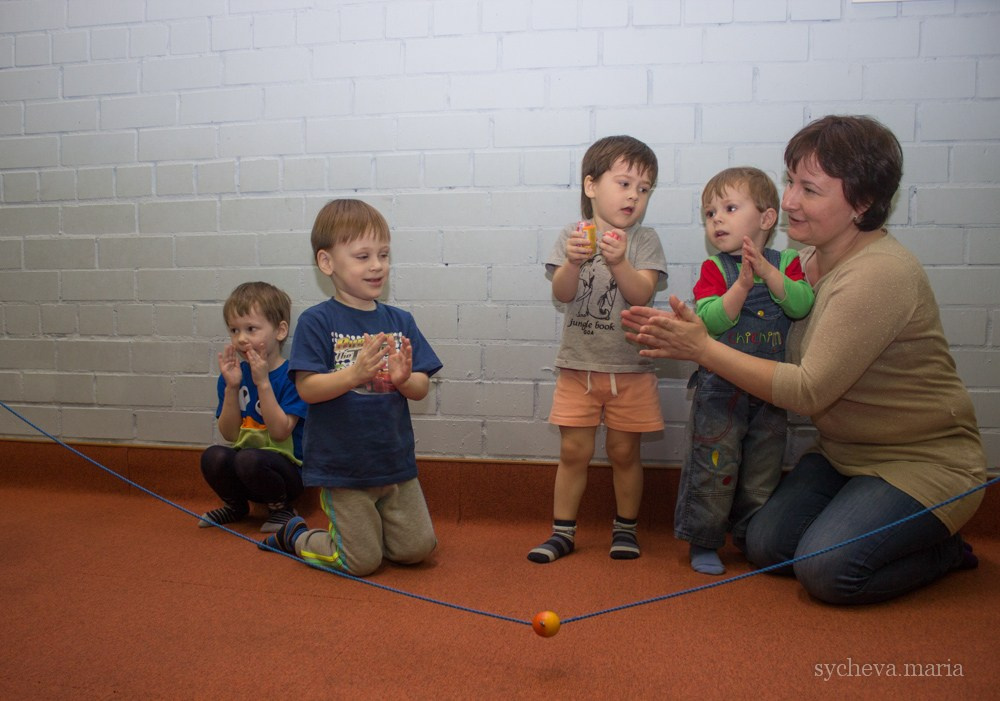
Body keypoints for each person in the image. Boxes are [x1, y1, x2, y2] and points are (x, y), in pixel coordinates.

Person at [623, 115, 986, 604]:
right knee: (765, 545)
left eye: (809, 189)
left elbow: (807, 390)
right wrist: (693, 326)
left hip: (921, 463)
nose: (789, 200)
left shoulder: (879, 275)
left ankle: (944, 549)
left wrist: (701, 349)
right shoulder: (799, 265)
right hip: (842, 454)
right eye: (790, 181)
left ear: (862, 203)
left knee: (827, 571)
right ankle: (869, 523)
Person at [260, 199, 441, 577]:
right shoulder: (317, 321)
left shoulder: (400, 320)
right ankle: (296, 535)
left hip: (394, 463)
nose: (377, 265)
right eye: (363, 256)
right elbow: (308, 389)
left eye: (383, 255)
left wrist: (404, 380)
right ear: (327, 262)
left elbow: (422, 386)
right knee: (361, 563)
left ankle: (370, 534)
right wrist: (353, 375)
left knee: (418, 550)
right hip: (342, 468)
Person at [528, 135, 668, 564]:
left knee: (625, 452)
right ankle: (562, 533)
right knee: (574, 451)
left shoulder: (644, 240)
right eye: (624, 184)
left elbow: (641, 294)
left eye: (644, 189)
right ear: (591, 186)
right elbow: (563, 294)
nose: (634, 196)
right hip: (578, 367)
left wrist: (620, 261)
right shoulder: (572, 236)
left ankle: (625, 528)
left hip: (630, 369)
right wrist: (573, 262)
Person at [678, 167, 814, 575]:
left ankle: (750, 536)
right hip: (720, 391)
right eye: (709, 213)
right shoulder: (714, 269)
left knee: (762, 470)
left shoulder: (788, 262)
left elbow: (801, 305)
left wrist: (768, 274)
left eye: (729, 208)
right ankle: (704, 540)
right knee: (714, 465)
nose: (716, 219)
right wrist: (740, 285)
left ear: (767, 218)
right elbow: (710, 321)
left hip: (770, 391)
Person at [199, 281, 307, 533]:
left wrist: (263, 383)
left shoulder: (294, 377)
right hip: (246, 469)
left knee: (248, 458)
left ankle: (281, 509)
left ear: (280, 331)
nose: (241, 339)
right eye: (234, 330)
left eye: (251, 329)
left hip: (287, 474)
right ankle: (236, 506)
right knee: (213, 456)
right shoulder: (234, 376)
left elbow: (280, 432)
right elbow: (230, 434)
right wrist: (232, 387)